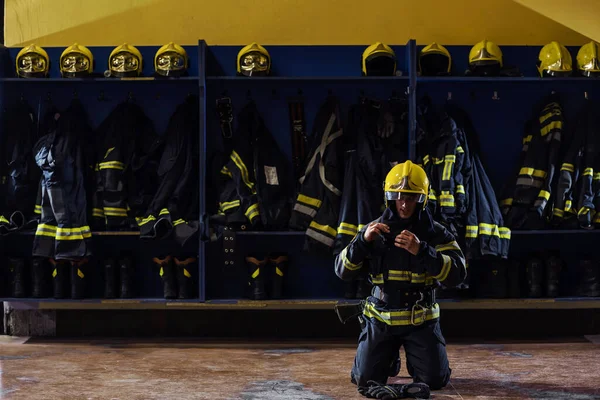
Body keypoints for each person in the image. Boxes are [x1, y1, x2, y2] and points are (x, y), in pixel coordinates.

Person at [334, 160, 467, 399]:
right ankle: (387, 357)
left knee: (435, 381)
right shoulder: (372, 231)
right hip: (380, 320)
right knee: (364, 380)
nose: (404, 204)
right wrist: (362, 242)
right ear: (389, 197)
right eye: (398, 197)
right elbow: (342, 270)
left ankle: (415, 358)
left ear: (422, 199)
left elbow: (457, 274)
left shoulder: (436, 233)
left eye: (411, 197)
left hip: (421, 321)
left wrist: (423, 251)